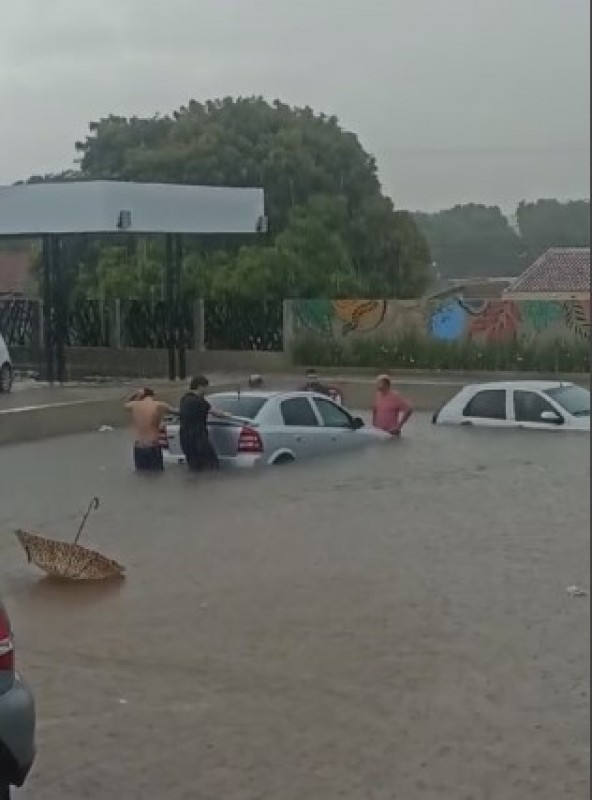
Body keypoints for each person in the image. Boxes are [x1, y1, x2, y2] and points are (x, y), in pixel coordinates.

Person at [179, 375, 231, 472]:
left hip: (184, 439)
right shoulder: (200, 401)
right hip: (198, 438)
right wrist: (228, 415)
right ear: (200, 387)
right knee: (212, 465)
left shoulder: (184, 399)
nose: (207, 390)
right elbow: (216, 413)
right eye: (206, 387)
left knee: (194, 467)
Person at [124, 387, 173, 472]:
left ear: (141, 396)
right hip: (152, 446)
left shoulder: (134, 405)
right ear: (152, 395)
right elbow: (178, 411)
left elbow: (125, 404)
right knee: (157, 475)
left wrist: (135, 394)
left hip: (139, 447)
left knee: (141, 474)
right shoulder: (159, 405)